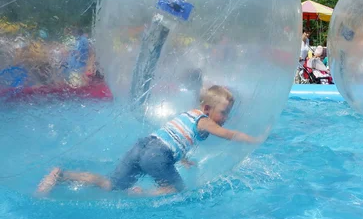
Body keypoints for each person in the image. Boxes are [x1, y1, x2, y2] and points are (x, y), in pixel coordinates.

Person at [36, 85, 265, 197]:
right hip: (158, 155)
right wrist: (255, 139)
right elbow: (228, 135)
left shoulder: (188, 115)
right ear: (207, 108)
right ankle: (141, 194)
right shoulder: (204, 120)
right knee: (176, 189)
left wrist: (182, 159)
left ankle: (61, 175)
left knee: (109, 184)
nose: (226, 118)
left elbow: (173, 136)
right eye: (224, 112)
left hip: (142, 145)